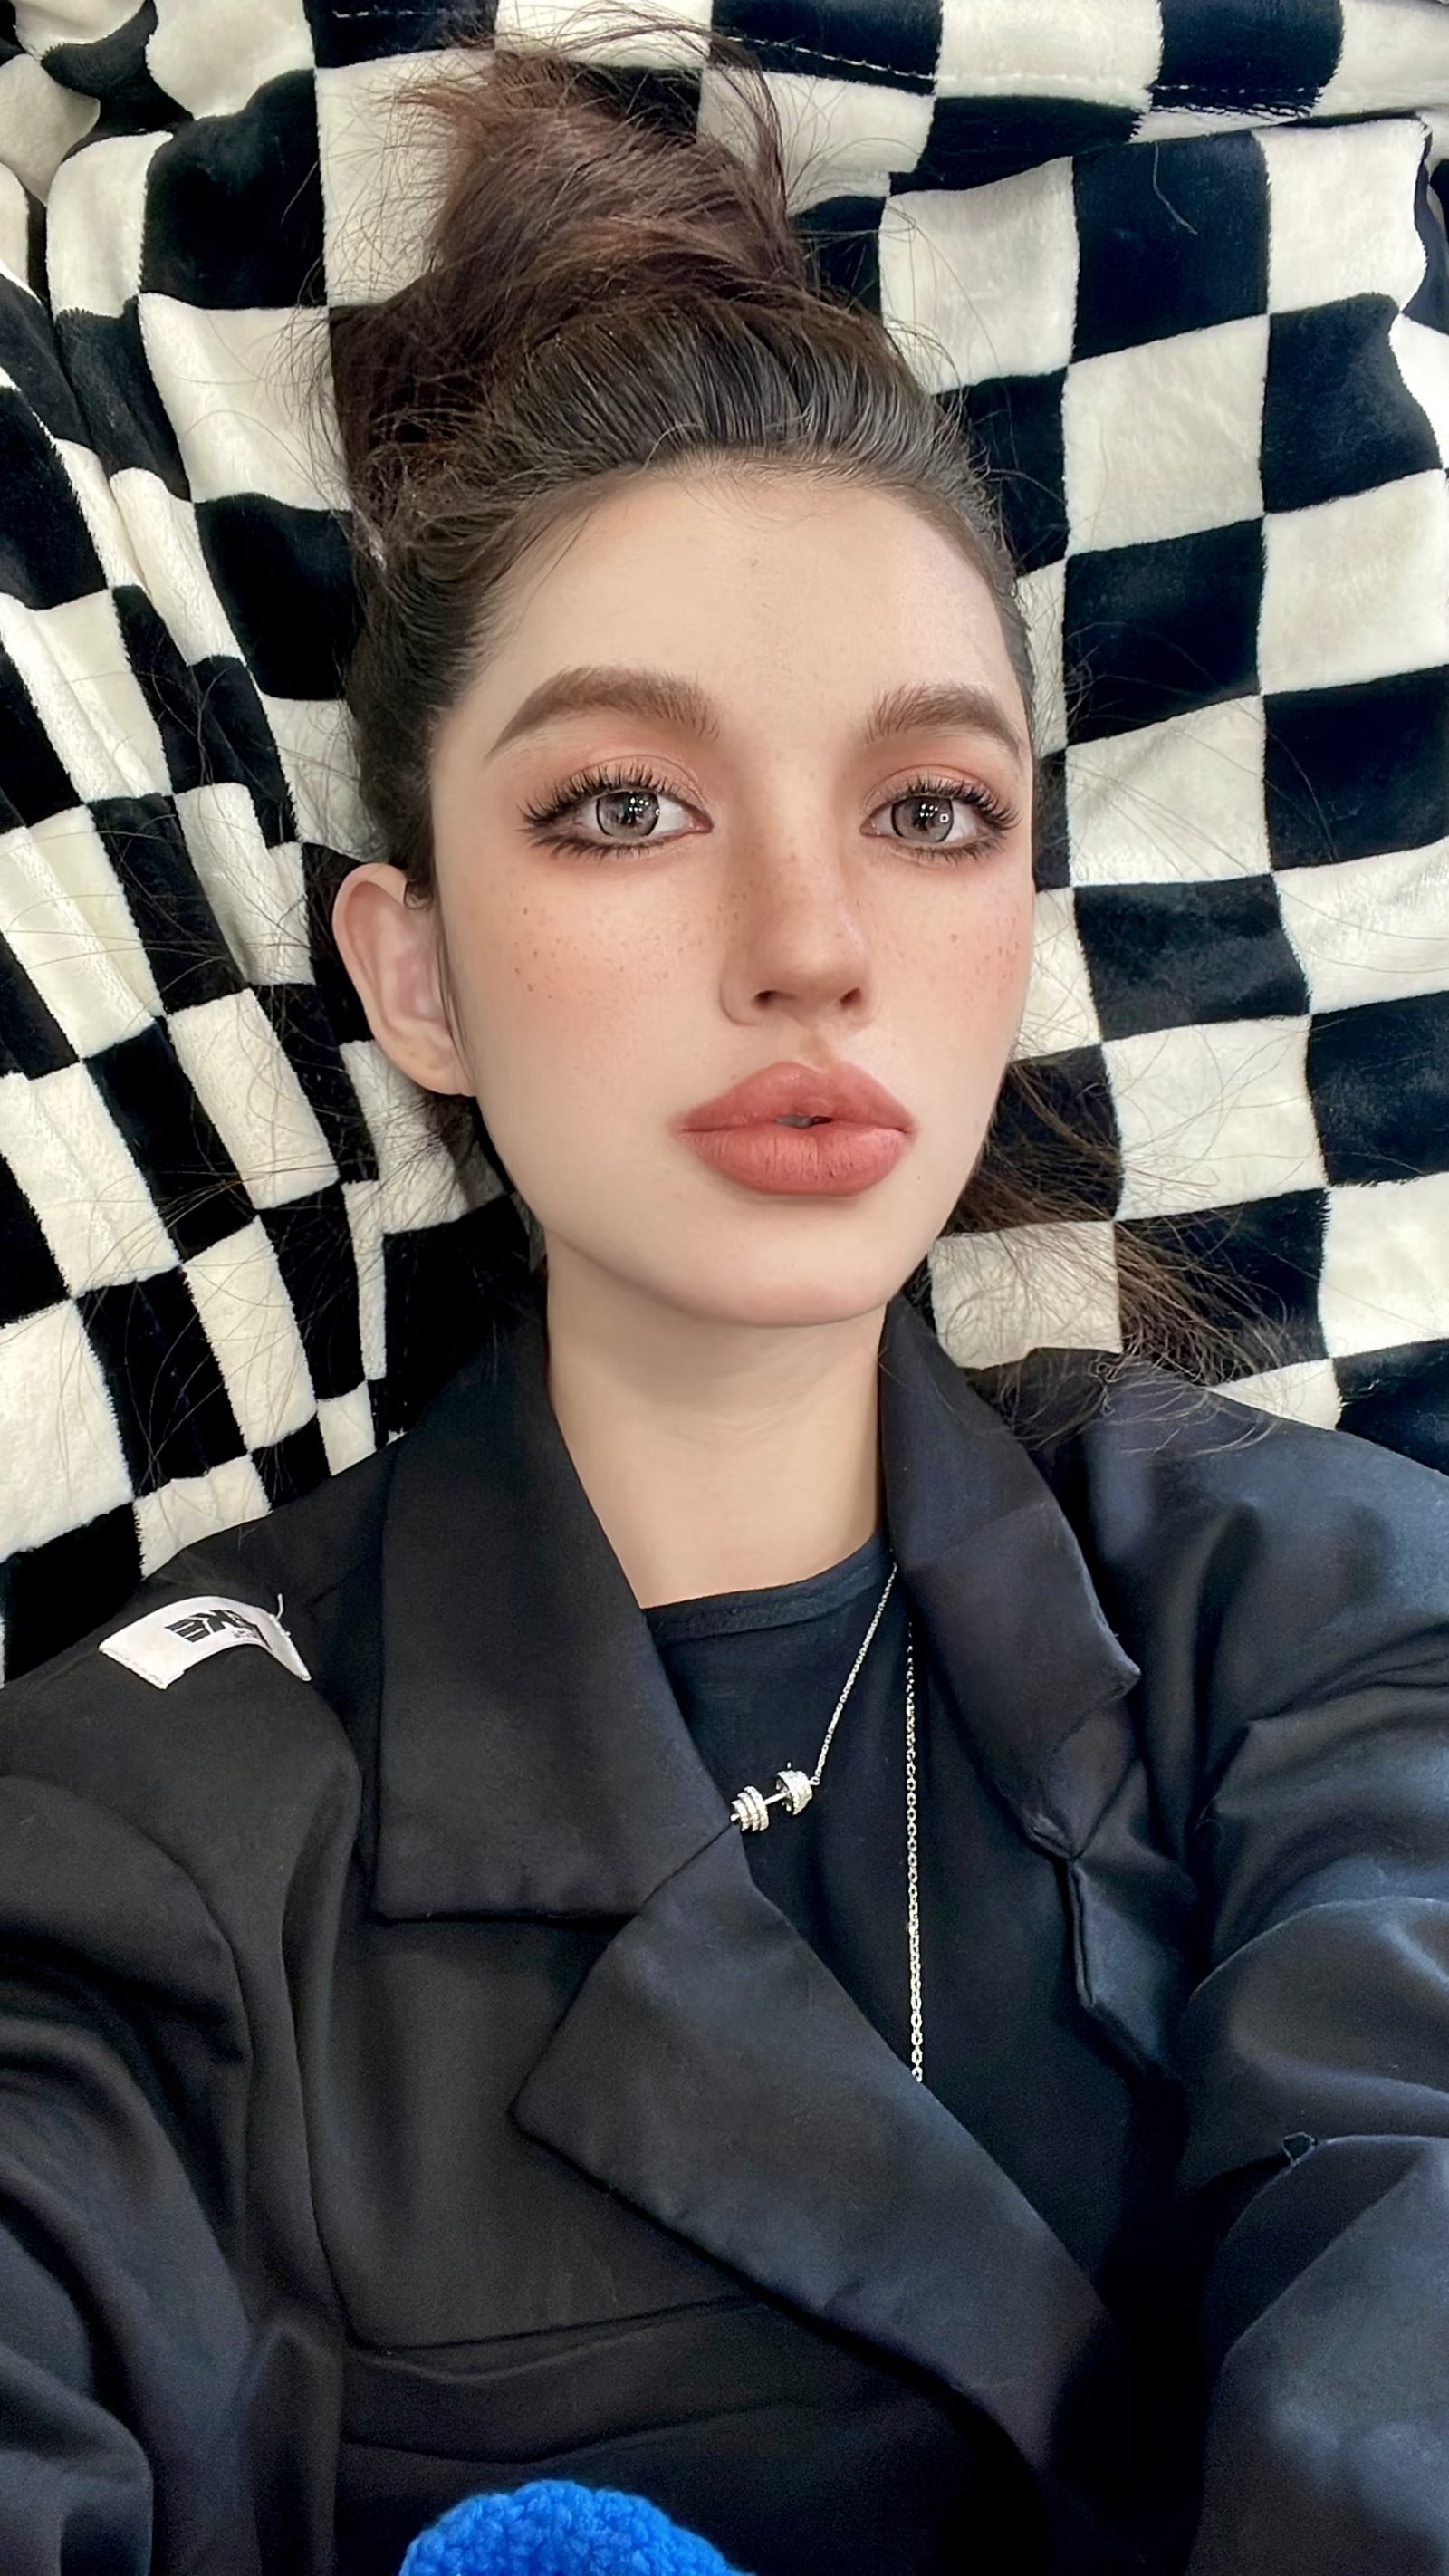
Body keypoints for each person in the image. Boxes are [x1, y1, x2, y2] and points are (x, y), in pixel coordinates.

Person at [3, 12, 1449, 2572]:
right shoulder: (149, 1832)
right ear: (417, 972)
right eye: (624, 803)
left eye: (931, 808)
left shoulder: (1309, 1605)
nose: (811, 940)